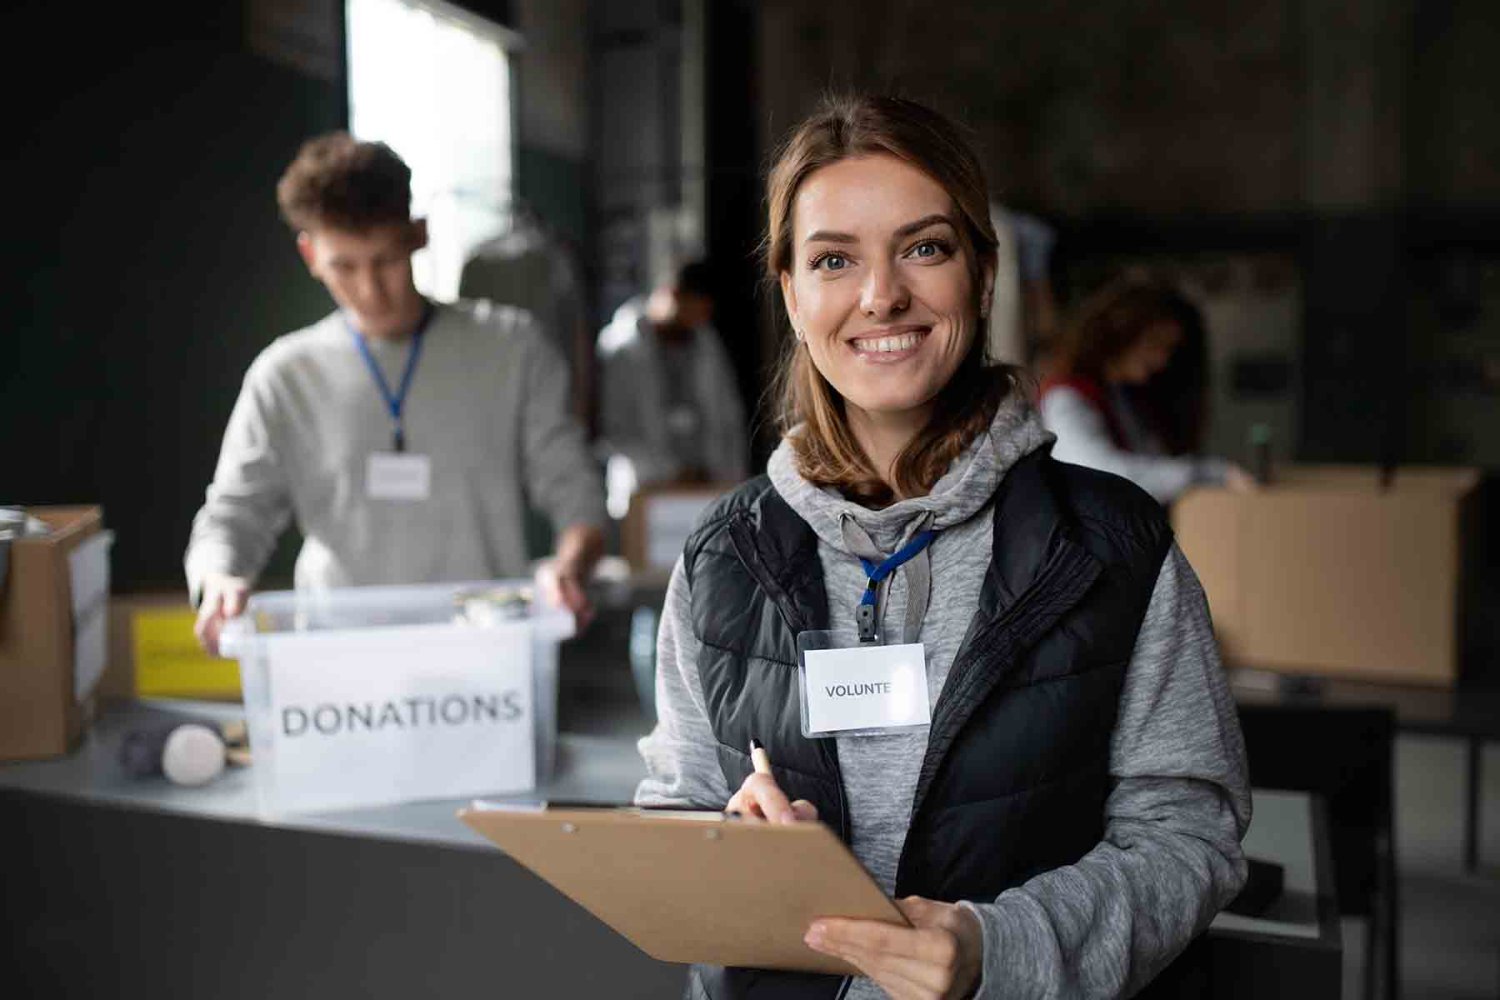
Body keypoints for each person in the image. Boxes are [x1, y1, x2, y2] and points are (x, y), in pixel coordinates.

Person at [635, 95, 1249, 999]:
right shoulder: (724, 557)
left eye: (924, 247)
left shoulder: (1114, 548)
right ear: (792, 294)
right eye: (834, 259)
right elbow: (676, 807)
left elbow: (1188, 836)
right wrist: (731, 844)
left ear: (983, 273)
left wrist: (998, 949)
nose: (881, 295)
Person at [186, 132, 606, 654]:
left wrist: (570, 564)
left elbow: (575, 489)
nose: (369, 290)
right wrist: (219, 579)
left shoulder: (512, 348)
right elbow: (232, 516)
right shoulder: (284, 375)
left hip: (485, 654)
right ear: (310, 254)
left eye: (385, 261)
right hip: (339, 658)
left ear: (418, 235)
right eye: (345, 266)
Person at [1038, 274, 1255, 505]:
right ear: (1119, 333)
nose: (1162, 360)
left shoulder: (1124, 397)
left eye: (1169, 349)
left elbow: (1153, 463)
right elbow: (1103, 473)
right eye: (1154, 343)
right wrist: (1209, 473)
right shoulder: (1068, 397)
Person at [595, 259, 749, 519]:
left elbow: (728, 419)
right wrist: (672, 471)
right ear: (671, 294)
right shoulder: (620, 347)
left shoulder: (706, 344)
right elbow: (612, 429)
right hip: (645, 492)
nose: (696, 323)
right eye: (692, 313)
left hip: (706, 492)